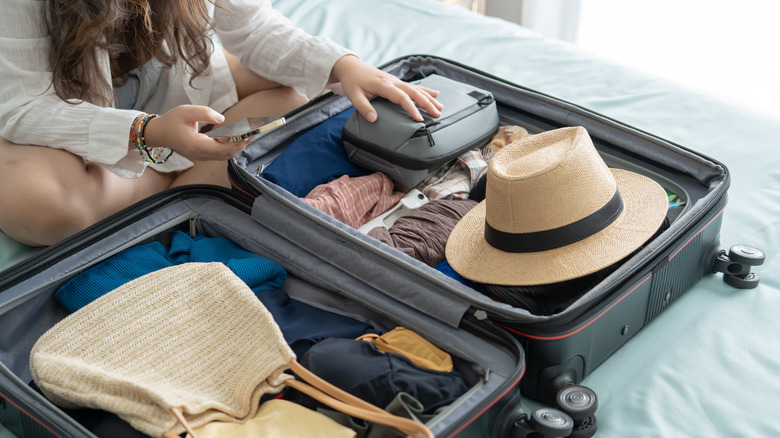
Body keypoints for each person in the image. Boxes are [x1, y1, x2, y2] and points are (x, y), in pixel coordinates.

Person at [0, 0, 442, 247]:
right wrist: (148, 134)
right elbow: (24, 104)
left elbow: (252, 27)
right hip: (62, 112)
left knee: (313, 89)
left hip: (170, 81)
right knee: (40, 206)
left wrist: (344, 64)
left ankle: (179, 174)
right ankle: (179, 181)